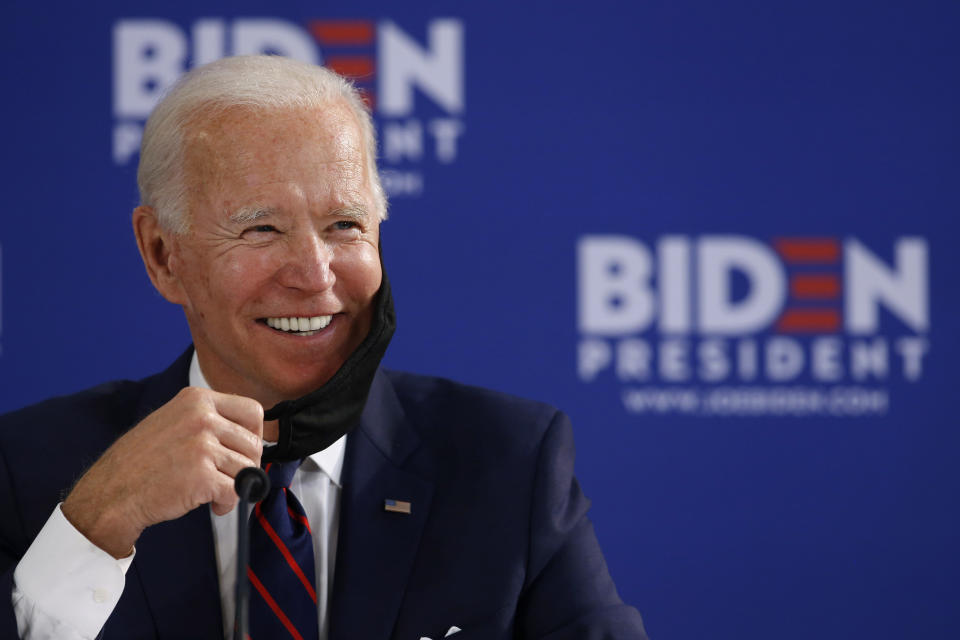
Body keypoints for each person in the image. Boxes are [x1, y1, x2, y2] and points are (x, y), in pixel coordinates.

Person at [0, 55, 647, 640]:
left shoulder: (510, 463)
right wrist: (93, 529)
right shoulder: (28, 470)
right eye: (261, 228)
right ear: (162, 254)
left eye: (345, 225)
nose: (314, 275)